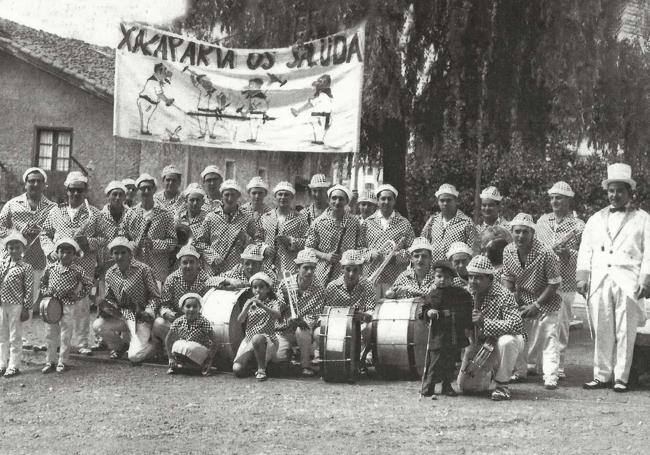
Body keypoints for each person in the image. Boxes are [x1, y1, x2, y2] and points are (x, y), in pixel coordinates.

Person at [577, 163, 650, 393]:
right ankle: (601, 375)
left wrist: (645, 279)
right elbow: (585, 250)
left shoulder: (643, 219)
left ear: (629, 193)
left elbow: (649, 251)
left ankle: (621, 377)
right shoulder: (595, 219)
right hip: (600, 278)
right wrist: (582, 277)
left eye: (620, 190)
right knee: (602, 328)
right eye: (611, 190)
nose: (614, 195)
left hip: (628, 280)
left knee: (625, 331)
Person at [40, 171, 107, 356]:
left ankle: (81, 342)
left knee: (81, 305)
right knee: (56, 304)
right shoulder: (55, 211)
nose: (76, 194)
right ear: (67, 191)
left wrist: (89, 242)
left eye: (80, 190)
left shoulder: (94, 214)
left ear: (85, 191)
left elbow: (104, 237)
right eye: (72, 190)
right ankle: (56, 343)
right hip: (58, 269)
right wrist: (50, 251)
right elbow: (45, 234)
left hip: (82, 268)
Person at [502, 213, 562, 390]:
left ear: (532, 233)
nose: (520, 236)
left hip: (547, 300)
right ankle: (519, 372)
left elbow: (554, 284)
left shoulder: (545, 252)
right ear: (512, 232)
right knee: (519, 336)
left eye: (525, 232)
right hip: (522, 300)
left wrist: (537, 305)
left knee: (549, 337)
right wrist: (508, 298)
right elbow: (507, 278)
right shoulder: (508, 251)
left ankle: (551, 376)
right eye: (517, 232)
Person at [536, 181, 584, 380]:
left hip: (566, 282)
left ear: (568, 200)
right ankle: (537, 364)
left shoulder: (579, 225)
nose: (555, 201)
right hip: (542, 281)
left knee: (561, 325)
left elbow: (584, 255)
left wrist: (568, 254)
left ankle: (559, 366)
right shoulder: (542, 221)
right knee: (540, 324)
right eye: (553, 197)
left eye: (560, 198)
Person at [462, 255, 525, 401]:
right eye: (470, 277)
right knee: (467, 387)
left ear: (490, 279)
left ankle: (502, 386)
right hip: (480, 345)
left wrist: (485, 322)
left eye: (478, 278)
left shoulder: (504, 294)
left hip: (500, 342)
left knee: (507, 341)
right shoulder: (466, 293)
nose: (473, 281)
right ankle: (490, 373)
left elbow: (517, 324)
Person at [92, 237, 159, 363]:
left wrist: (149, 312)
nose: (120, 256)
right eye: (116, 253)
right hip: (123, 315)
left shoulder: (143, 269)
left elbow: (155, 296)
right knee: (98, 325)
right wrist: (106, 306)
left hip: (141, 317)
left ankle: (155, 345)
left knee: (135, 356)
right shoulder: (110, 273)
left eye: (123, 252)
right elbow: (110, 297)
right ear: (111, 255)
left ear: (130, 253)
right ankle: (121, 346)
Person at [0, 167, 56, 312]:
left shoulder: (53, 208)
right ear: (25, 184)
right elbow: (0, 228)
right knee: (9, 302)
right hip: (13, 261)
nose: (35, 184)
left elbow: (58, 235)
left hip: (37, 262)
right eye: (32, 181)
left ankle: (24, 334)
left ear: (45, 185)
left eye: (39, 181)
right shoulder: (12, 205)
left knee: (29, 301)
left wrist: (44, 233)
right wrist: (18, 234)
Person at [420, 260, 473, 398]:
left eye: (447, 277)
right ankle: (429, 385)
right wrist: (429, 312)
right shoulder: (431, 295)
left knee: (450, 361)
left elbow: (467, 309)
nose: (442, 280)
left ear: (452, 279)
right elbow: (424, 310)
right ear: (434, 277)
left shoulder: (460, 294)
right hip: (438, 333)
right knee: (435, 360)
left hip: (454, 332)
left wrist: (467, 326)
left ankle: (446, 386)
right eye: (439, 276)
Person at [40, 238, 93, 374]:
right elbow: (42, 282)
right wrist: (46, 292)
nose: (65, 255)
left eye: (69, 252)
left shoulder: (77, 270)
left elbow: (88, 285)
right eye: (62, 252)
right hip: (52, 304)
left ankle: (62, 361)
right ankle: (49, 360)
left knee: (65, 333)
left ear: (74, 255)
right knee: (51, 333)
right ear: (57, 252)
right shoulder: (51, 268)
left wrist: (78, 295)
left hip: (68, 305)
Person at [275, 249, 325, 377]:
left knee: (301, 331)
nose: (309, 272)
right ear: (298, 267)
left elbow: (315, 313)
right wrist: (285, 302)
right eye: (306, 268)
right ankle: (290, 354)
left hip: (305, 330)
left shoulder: (319, 288)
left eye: (312, 268)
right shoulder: (285, 283)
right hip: (285, 328)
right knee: (278, 360)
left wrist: (302, 321)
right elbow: (277, 309)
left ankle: (305, 365)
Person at [305, 185, 367, 286]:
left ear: (346, 201)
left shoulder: (354, 223)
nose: (337, 202)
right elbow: (308, 248)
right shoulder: (318, 222)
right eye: (334, 198)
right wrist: (325, 256)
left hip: (347, 274)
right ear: (329, 200)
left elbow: (360, 247)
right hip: (323, 273)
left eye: (341, 199)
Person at [324, 249, 377, 367]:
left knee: (371, 327)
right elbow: (325, 315)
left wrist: (364, 316)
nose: (351, 274)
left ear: (361, 269)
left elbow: (371, 311)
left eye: (355, 270)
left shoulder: (367, 285)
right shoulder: (332, 287)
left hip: (360, 327)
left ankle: (361, 359)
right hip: (337, 328)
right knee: (319, 333)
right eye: (348, 269)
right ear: (342, 269)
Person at [195, 179, 259, 275]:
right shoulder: (211, 217)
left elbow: (257, 242)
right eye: (227, 195)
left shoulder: (247, 218)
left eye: (233, 195)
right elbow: (199, 242)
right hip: (214, 271)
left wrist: (246, 240)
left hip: (238, 271)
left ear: (238, 196)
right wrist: (213, 257)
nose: (230, 198)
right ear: (222, 196)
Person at [153, 245, 210, 347]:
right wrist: (166, 313)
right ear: (179, 264)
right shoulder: (171, 279)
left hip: (199, 325)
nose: (188, 266)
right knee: (158, 323)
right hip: (177, 323)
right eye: (185, 262)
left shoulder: (206, 279)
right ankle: (177, 347)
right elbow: (164, 304)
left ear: (198, 263)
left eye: (191, 262)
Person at [363, 184, 415, 297]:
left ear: (394, 201)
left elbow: (412, 251)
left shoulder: (404, 223)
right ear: (377, 201)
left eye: (389, 199)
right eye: (383, 198)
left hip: (395, 279)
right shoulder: (367, 223)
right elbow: (358, 248)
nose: (386, 202)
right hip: (371, 277)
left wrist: (396, 258)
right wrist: (370, 254)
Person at [233, 272, 285, 381]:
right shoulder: (250, 302)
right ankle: (255, 364)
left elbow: (277, 315)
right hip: (249, 339)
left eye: (261, 287)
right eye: (255, 287)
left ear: (268, 289)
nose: (257, 290)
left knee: (258, 338)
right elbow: (240, 320)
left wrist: (263, 305)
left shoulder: (273, 302)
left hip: (267, 338)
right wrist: (246, 307)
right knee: (237, 369)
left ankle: (261, 369)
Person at [258, 181, 309, 279]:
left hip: (290, 266)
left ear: (292, 197)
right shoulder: (265, 217)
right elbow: (257, 239)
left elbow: (308, 243)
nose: (283, 197)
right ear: (275, 196)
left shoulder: (300, 218)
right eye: (280, 194)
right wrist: (264, 249)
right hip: (267, 265)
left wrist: (290, 241)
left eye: (286, 195)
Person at [133, 173, 177, 286]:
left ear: (154, 190)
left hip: (157, 272)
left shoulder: (165, 214)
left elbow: (172, 242)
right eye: (143, 188)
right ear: (138, 191)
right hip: (135, 271)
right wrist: (134, 245)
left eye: (149, 188)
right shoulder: (131, 213)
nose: (146, 191)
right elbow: (122, 237)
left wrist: (154, 244)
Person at [0, 232, 33, 377]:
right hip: (3, 304)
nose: (14, 251)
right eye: (11, 248)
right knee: (2, 335)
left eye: (17, 247)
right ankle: (2, 363)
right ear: (6, 249)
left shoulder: (26, 267)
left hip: (16, 305)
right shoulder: (3, 264)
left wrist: (26, 308)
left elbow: (29, 289)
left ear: (22, 249)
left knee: (15, 336)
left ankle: (14, 365)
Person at [421, 183, 478, 261]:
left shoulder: (467, 223)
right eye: (442, 200)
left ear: (456, 201)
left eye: (448, 200)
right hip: (434, 271)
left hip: (455, 272)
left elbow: (473, 252)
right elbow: (422, 245)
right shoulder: (432, 221)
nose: (445, 203)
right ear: (438, 202)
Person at [165, 293, 218, 376]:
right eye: (188, 306)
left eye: (195, 306)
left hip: (200, 351)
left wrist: (209, 360)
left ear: (199, 308)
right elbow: (168, 339)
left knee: (190, 347)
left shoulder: (203, 322)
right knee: (177, 344)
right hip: (185, 350)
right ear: (182, 308)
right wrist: (170, 358)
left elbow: (214, 340)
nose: (191, 309)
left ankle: (200, 366)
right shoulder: (179, 321)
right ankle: (182, 365)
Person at [208, 244, 275, 289]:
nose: (250, 267)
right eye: (247, 264)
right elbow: (209, 281)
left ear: (260, 264)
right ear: (242, 263)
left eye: (254, 264)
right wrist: (230, 281)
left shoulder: (267, 274)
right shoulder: (236, 273)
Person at [174, 183, 209, 267]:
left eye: (198, 200)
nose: (195, 203)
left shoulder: (208, 219)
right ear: (186, 201)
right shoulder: (178, 218)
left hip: (199, 263)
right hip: (178, 261)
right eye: (192, 200)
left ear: (203, 202)